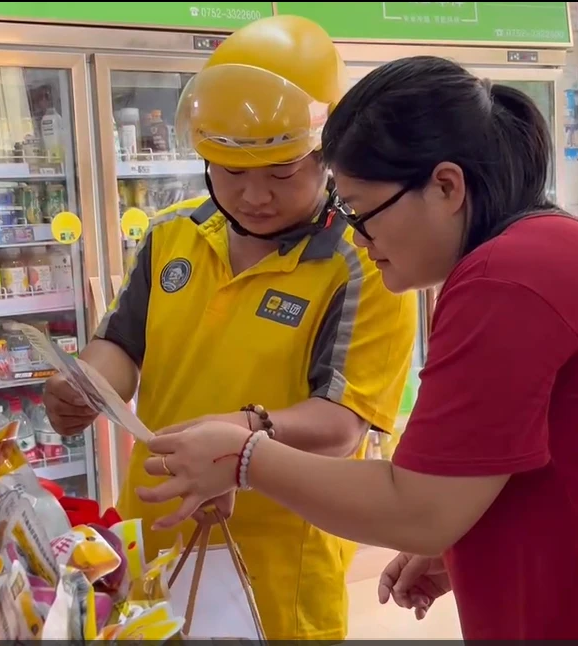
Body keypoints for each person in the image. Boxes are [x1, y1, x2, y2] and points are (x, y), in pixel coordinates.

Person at [132, 56, 578, 641]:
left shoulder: (507, 279)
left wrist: (243, 457)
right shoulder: (542, 250)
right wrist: (472, 536)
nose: (358, 239)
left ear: (446, 187)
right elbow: (552, 465)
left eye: (360, 212)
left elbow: (415, 507)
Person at [42, 16, 417, 642]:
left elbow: (341, 424)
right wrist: (87, 384)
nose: (254, 196)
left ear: (328, 157)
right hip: (151, 541)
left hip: (274, 570)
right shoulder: (172, 234)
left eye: (280, 172)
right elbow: (122, 346)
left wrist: (238, 437)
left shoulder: (363, 264)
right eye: (230, 171)